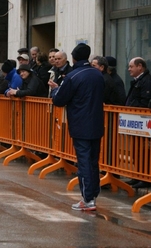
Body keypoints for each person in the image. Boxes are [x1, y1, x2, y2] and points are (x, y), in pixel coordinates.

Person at [50, 43, 104, 211]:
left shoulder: (73, 76)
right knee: (93, 161)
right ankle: (93, 195)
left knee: (84, 162)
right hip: (96, 122)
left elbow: (59, 100)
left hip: (80, 124)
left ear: (73, 57)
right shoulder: (98, 74)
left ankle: (87, 199)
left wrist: (55, 91)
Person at [125, 57, 151, 188]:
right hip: (134, 120)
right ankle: (137, 174)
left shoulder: (146, 81)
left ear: (140, 66)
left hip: (141, 121)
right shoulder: (137, 81)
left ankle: (144, 176)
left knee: (141, 149)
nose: (129, 69)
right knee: (135, 148)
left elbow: (144, 101)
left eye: (131, 66)